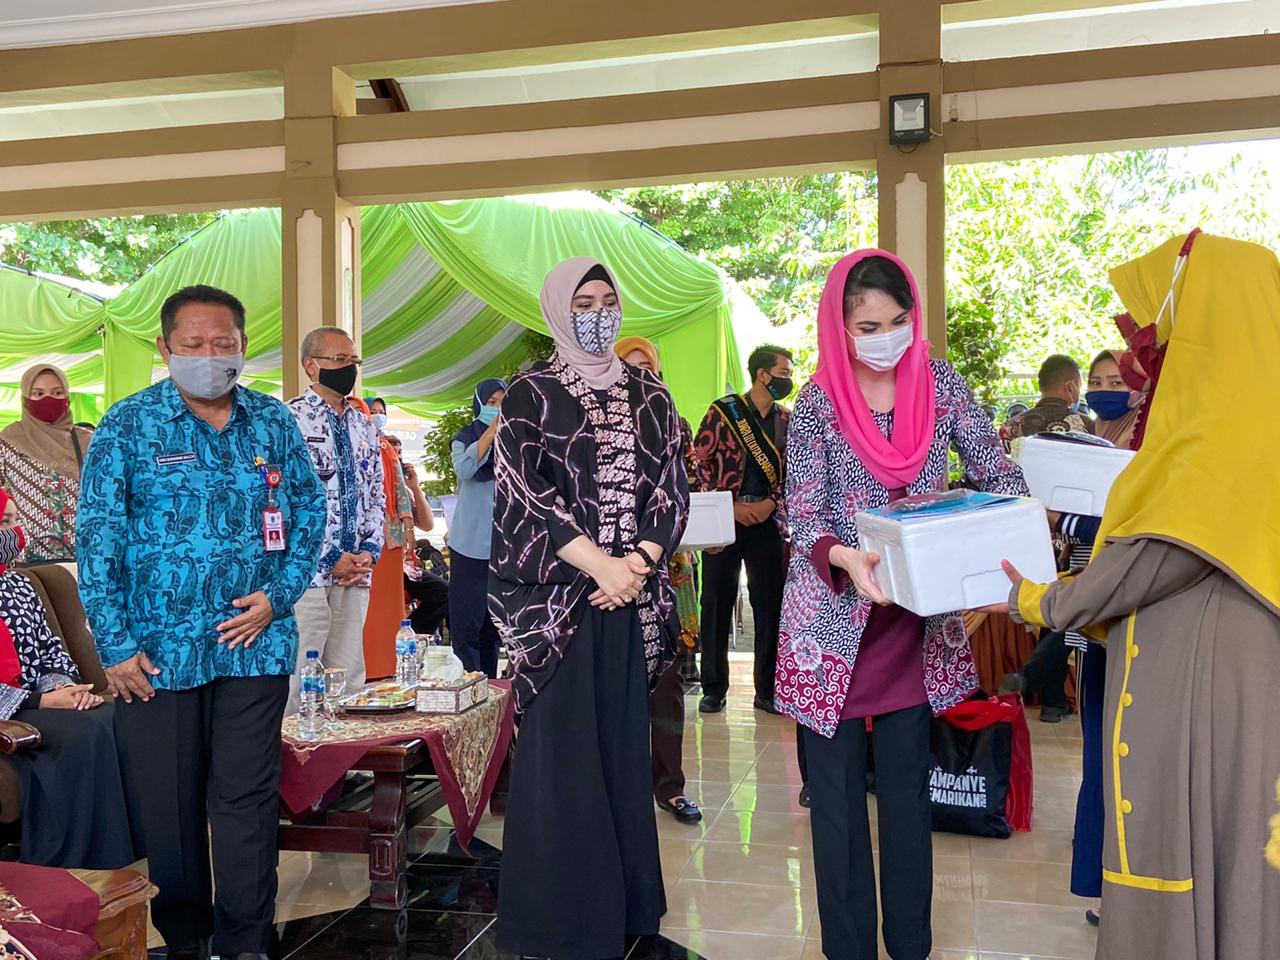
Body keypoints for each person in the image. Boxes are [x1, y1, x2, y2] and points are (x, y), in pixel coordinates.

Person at [999, 231, 1280, 960]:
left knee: (1187, 855)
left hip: (1201, 685)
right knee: (1239, 865)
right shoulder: (1256, 415)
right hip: (1245, 679)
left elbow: (1152, 560)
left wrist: (1040, 602)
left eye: (1168, 338)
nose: (1147, 362)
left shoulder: (1214, 434)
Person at [779, 251, 1028, 960]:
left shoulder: (941, 384)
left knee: (908, 802)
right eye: (866, 325)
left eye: (897, 322)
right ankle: (849, 949)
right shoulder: (820, 402)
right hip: (830, 631)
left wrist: (1001, 534)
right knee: (835, 808)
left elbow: (995, 470)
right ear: (840, 326)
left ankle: (910, 945)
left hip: (913, 629)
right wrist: (844, 555)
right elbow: (799, 514)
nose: (884, 337)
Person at [77, 285, 326, 960]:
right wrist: (115, 644)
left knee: (245, 804)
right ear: (165, 349)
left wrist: (278, 595)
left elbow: (309, 517)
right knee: (171, 812)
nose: (210, 356)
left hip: (255, 646)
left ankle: (245, 944)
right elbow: (96, 539)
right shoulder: (127, 427)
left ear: (244, 348)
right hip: (155, 655)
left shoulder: (272, 423)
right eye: (194, 345)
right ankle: (188, 943)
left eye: (224, 344)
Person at [491, 259, 689, 960]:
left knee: (621, 753)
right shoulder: (530, 395)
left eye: (608, 301)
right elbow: (527, 497)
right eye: (583, 301)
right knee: (564, 758)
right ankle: (560, 919)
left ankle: (627, 904)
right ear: (557, 309)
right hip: (559, 604)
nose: (598, 313)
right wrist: (600, 566)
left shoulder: (652, 396)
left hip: (630, 602)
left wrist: (634, 565)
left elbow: (672, 488)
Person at [0, 488, 135, 870]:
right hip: (12, 707)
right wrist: (39, 702)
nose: (16, 532)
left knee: (108, 717)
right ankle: (74, 857)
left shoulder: (19, 586)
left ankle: (126, 851)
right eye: (5, 523)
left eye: (16, 520)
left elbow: (50, 648)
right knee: (81, 731)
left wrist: (61, 687)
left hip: (41, 695)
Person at [616, 335, 702, 825]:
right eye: (630, 367)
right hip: (607, 580)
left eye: (647, 366)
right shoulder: (594, 424)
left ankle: (670, 787)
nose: (640, 375)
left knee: (667, 686)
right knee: (617, 689)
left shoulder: (674, 423)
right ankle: (622, 790)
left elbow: (688, 492)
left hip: (665, 576)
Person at [285, 327, 385, 711]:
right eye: (339, 360)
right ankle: (299, 764)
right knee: (301, 675)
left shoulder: (363, 424)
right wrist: (328, 557)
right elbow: (282, 502)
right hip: (306, 574)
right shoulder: (288, 420)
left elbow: (375, 491)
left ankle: (345, 765)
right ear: (312, 366)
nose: (349, 369)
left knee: (347, 676)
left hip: (356, 573)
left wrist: (368, 552)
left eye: (353, 361)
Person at [694, 344, 793, 715]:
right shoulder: (723, 413)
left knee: (769, 605)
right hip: (724, 519)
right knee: (715, 603)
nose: (788, 378)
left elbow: (796, 473)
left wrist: (771, 504)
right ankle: (714, 688)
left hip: (766, 520)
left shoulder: (787, 420)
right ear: (762, 374)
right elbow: (698, 462)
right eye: (783, 372)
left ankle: (767, 690)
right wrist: (727, 506)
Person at [999, 353, 1098, 722]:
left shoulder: (1010, 428)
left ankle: (1045, 691)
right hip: (1068, 534)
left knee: (1044, 608)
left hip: (1022, 530)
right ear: (1072, 386)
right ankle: (1053, 698)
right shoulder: (1081, 424)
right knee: (1060, 608)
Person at [0, 365, 94, 562]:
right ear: (26, 398)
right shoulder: (8, 442)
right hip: (29, 559)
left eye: (57, 392)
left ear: (67, 397)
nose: (48, 399)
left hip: (86, 558)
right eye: (38, 393)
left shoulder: (88, 442)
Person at [448, 378, 507, 677]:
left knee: (493, 625)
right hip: (469, 547)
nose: (497, 408)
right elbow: (465, 469)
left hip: (504, 548)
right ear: (479, 404)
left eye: (502, 402)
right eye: (491, 402)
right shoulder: (464, 438)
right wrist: (491, 432)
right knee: (466, 621)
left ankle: (491, 689)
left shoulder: (516, 441)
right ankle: (467, 684)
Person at [356, 397, 415, 679]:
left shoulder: (385, 446)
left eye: (381, 412)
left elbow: (399, 489)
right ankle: (368, 668)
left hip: (391, 537)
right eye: (371, 411)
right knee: (367, 607)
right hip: (363, 538)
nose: (375, 417)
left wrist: (409, 526)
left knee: (391, 608)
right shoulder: (354, 446)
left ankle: (389, 668)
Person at [385, 434, 449, 638]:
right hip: (381, 560)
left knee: (444, 591)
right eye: (393, 451)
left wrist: (414, 487)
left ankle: (410, 635)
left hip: (406, 565)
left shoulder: (406, 490)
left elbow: (428, 524)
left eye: (400, 452)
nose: (398, 456)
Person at [999, 354, 1095, 443]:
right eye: (1079, 387)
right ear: (1070, 387)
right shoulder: (1087, 426)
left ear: (1041, 386)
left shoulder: (1008, 428)